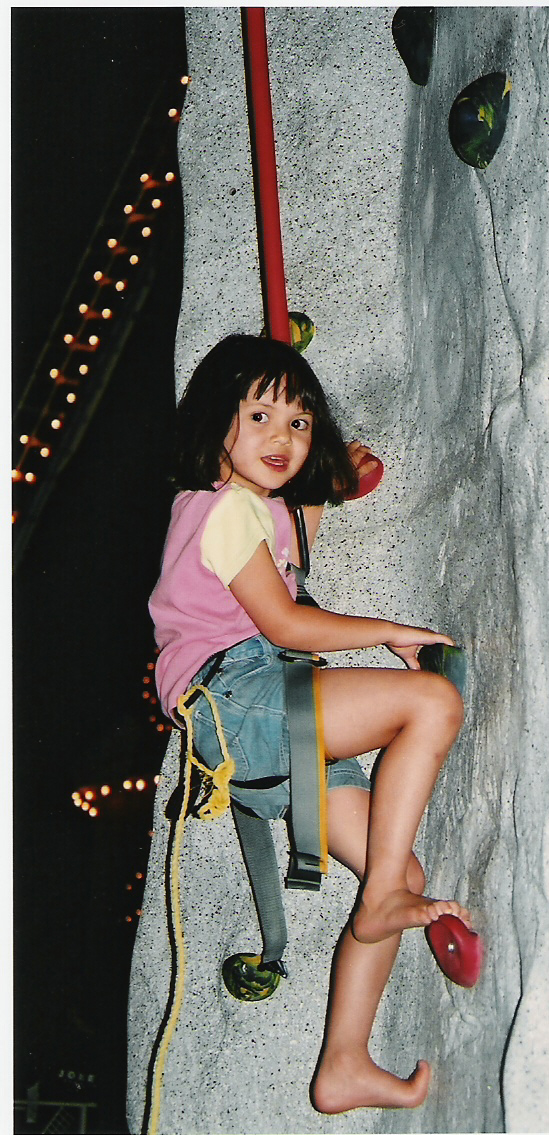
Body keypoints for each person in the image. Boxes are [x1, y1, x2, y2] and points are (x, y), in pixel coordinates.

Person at [149, 334, 471, 1113]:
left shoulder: (256, 515)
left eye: (299, 423)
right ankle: (382, 903)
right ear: (213, 422)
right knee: (429, 701)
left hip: (267, 724)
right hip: (240, 700)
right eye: (260, 414)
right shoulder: (223, 510)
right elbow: (288, 623)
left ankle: (344, 1063)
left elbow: (291, 576)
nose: (281, 437)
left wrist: (325, 489)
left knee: (400, 873)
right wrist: (390, 629)